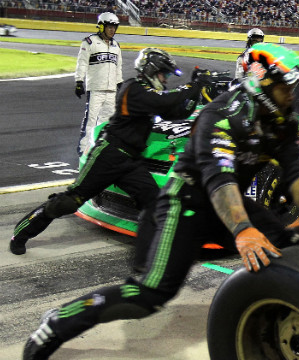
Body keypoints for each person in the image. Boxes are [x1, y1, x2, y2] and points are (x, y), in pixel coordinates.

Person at [22, 43, 299, 359]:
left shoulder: (284, 120)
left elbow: (298, 166)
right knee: (148, 295)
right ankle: (58, 321)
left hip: (226, 202)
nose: (293, 95)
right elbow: (218, 179)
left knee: (288, 251)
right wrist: (244, 228)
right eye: (286, 87)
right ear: (262, 84)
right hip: (187, 202)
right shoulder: (220, 115)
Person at [9, 48, 210, 256]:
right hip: (110, 154)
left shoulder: (150, 94)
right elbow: (165, 101)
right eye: (164, 74)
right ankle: (21, 233)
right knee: (71, 200)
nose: (166, 79)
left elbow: (179, 111)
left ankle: (144, 260)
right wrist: (193, 85)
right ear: (151, 70)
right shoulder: (133, 89)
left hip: (131, 161)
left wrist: (198, 87)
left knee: (154, 202)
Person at [75, 12, 124, 156]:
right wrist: (79, 81)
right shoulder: (89, 42)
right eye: (109, 27)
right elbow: (81, 63)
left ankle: (100, 151)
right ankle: (83, 150)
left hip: (111, 91)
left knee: (107, 123)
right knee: (90, 121)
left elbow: (118, 67)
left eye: (114, 27)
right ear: (101, 26)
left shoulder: (116, 45)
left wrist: (120, 83)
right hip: (95, 89)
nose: (112, 30)